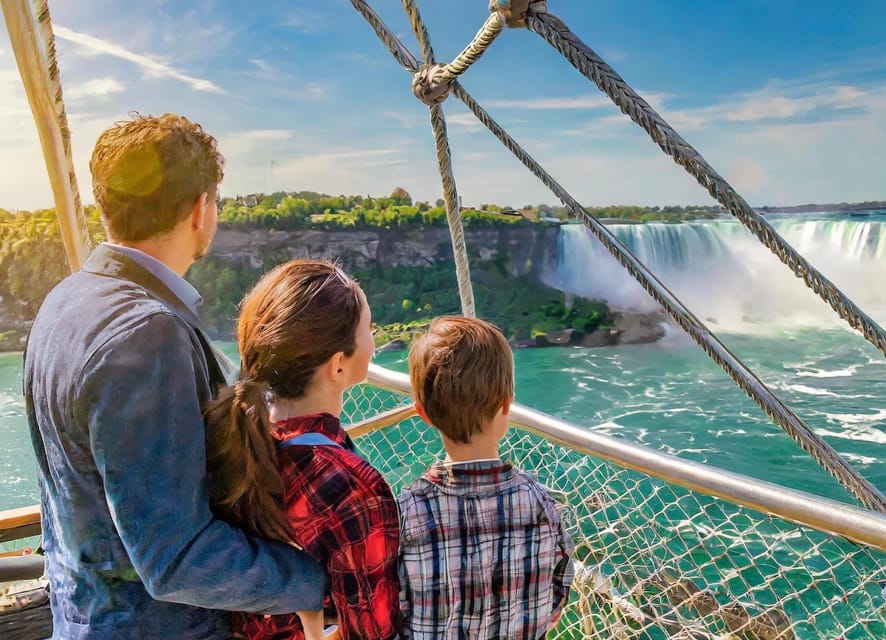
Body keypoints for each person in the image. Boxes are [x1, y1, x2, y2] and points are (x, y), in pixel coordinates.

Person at [23, 114, 326, 639]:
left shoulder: (62, 302)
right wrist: (312, 581)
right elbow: (175, 558)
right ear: (200, 210)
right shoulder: (146, 335)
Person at [204, 259, 402, 640]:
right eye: (369, 330)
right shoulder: (351, 488)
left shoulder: (230, 441)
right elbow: (373, 631)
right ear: (338, 366)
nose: (375, 340)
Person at [400, 316, 575, 639]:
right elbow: (560, 582)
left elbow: (395, 605)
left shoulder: (408, 510)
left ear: (423, 414)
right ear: (506, 405)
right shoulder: (537, 499)